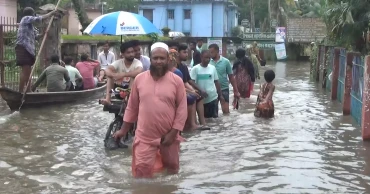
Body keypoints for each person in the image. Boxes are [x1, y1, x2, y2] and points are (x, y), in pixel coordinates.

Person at [113, 42, 187, 178]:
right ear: (150, 59)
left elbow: (182, 110)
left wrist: (173, 133)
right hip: (144, 136)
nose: (158, 61)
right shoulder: (140, 79)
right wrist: (123, 130)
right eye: (155, 58)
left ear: (168, 59)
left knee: (172, 171)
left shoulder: (177, 81)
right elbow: (132, 107)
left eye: (162, 58)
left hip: (169, 136)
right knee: (141, 173)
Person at [15, 7, 58, 92]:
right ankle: (20, 92)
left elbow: (36, 36)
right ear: (31, 14)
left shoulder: (30, 26)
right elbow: (38, 19)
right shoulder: (25, 19)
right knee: (25, 70)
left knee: (28, 72)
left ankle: (28, 90)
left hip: (29, 50)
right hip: (23, 47)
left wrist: (43, 34)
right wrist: (51, 13)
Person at [177, 43, 207, 127]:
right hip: (178, 90)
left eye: (187, 52)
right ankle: (193, 124)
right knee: (192, 97)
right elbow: (180, 84)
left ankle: (202, 122)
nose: (187, 54)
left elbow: (187, 81)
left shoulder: (183, 66)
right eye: (184, 52)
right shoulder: (175, 67)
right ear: (178, 53)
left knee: (199, 96)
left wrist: (194, 90)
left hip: (184, 89)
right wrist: (191, 91)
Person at [208, 44, 240, 114]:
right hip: (212, 90)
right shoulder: (208, 62)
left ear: (217, 51)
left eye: (212, 52)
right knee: (214, 114)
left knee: (226, 112)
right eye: (209, 52)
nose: (210, 54)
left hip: (224, 88)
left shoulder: (226, 62)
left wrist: (236, 91)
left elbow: (231, 77)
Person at [190, 50, 223, 118]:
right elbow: (191, 81)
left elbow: (216, 81)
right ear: (201, 57)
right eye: (205, 58)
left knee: (215, 120)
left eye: (209, 58)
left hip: (213, 98)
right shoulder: (195, 69)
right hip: (201, 99)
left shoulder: (212, 68)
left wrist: (220, 95)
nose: (207, 60)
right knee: (205, 119)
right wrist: (200, 90)